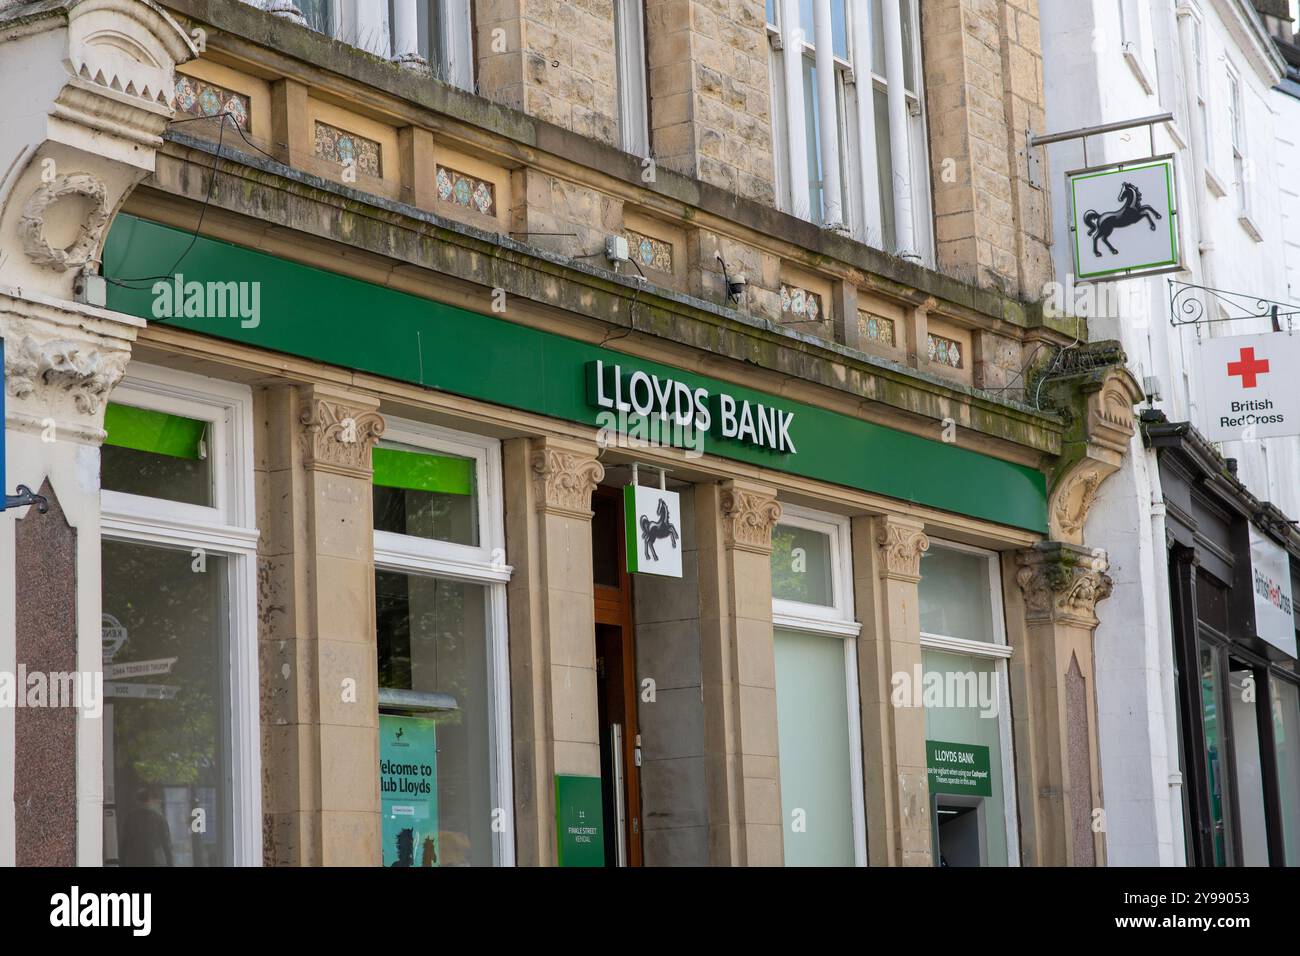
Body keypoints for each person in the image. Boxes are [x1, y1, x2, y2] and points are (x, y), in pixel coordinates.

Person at [121, 787, 174, 866]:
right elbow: (166, 844)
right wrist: (170, 863)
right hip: (154, 860)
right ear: (150, 800)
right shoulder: (159, 818)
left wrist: (122, 862)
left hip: (135, 861)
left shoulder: (130, 818)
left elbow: (124, 843)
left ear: (137, 801)